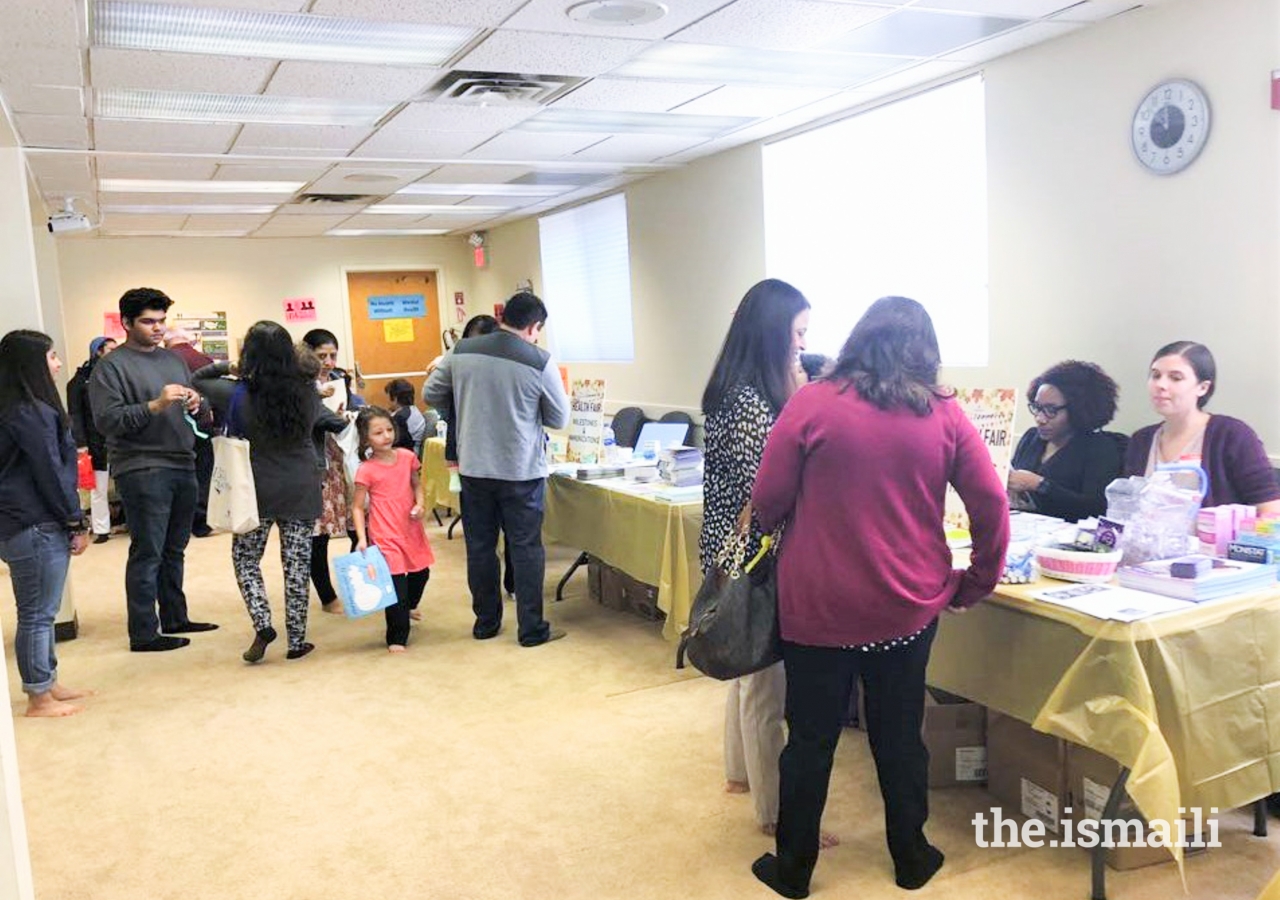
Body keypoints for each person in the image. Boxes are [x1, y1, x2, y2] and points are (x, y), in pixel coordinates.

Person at [749, 297, 1009, 898]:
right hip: (906, 608)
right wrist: (978, 581)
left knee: (809, 740)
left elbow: (768, 499)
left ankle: (793, 869)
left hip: (817, 609)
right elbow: (991, 503)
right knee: (899, 735)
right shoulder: (944, 413)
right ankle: (911, 857)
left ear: (857, 341)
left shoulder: (811, 402)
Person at [699, 279, 828, 845]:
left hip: (735, 552)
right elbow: (773, 488)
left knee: (745, 666)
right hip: (758, 559)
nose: (802, 346)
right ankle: (775, 813)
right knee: (764, 687)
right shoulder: (752, 401)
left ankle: (738, 774)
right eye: (797, 334)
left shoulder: (735, 388)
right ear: (774, 332)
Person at [192, 322, 347, 663]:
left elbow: (197, 379)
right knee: (296, 564)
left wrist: (230, 367)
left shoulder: (234, 392)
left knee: (246, 559)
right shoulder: (308, 390)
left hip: (254, 488)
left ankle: (262, 621)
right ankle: (297, 641)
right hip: (302, 484)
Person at [424, 291, 569, 647]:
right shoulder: (539, 360)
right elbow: (558, 418)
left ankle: (486, 623)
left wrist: (464, 403)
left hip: (474, 466)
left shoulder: (462, 350)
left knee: (480, 545)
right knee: (526, 547)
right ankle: (531, 629)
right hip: (521, 469)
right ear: (534, 326)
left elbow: (431, 393)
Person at [88, 287, 219, 652]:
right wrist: (154, 405)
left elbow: (195, 402)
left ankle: (175, 616)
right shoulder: (110, 367)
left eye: (162, 321)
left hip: (182, 460)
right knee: (148, 552)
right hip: (141, 467)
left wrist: (196, 401)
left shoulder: (173, 360)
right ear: (127, 323)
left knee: (175, 547)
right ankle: (144, 633)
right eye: (148, 321)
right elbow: (107, 421)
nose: (157, 328)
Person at [0, 330, 94, 717]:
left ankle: (47, 681)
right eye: (52, 356)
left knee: (41, 609)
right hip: (34, 521)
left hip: (20, 520)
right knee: (38, 613)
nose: (57, 364)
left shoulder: (15, 408)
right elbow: (51, 473)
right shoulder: (31, 412)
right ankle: (38, 695)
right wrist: (75, 520)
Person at [1124, 341, 1280, 513]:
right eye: (1155, 375)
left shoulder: (1231, 435)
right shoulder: (1141, 440)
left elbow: (1270, 509)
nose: (1161, 385)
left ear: (1203, 387)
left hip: (1216, 539)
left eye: (1175, 378)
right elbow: (1128, 507)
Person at [351, 407, 435, 652]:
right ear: (366, 439)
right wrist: (361, 538)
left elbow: (417, 485)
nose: (386, 436)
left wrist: (420, 504)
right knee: (395, 586)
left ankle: (410, 605)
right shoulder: (366, 469)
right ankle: (397, 637)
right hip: (384, 533)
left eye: (389, 430)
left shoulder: (408, 457)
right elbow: (357, 507)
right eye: (378, 433)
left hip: (411, 528)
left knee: (421, 573)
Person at [1007, 360, 1124, 522]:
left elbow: (1095, 509)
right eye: (1037, 407)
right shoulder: (1031, 438)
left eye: (1051, 410)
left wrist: (1040, 485)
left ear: (1078, 410)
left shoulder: (1100, 448)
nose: (1040, 419)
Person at [301, 328, 363, 614]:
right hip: (317, 465)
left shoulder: (340, 380)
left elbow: (353, 412)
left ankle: (360, 586)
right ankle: (327, 597)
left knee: (359, 524)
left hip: (344, 461)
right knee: (320, 532)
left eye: (332, 355)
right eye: (321, 355)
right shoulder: (299, 385)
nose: (327, 361)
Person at [163, 327, 216, 538]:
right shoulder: (204, 359)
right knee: (202, 473)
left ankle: (177, 522)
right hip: (202, 425)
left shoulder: (163, 360)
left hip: (171, 427)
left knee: (176, 474)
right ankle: (201, 522)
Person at [66, 336, 116, 543]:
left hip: (120, 440)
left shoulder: (118, 375)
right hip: (96, 441)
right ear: (98, 351)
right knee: (98, 488)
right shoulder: (79, 381)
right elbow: (75, 415)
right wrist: (81, 443)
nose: (115, 352)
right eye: (110, 349)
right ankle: (101, 529)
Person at [385, 378, 427, 457]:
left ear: (395, 398)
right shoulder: (413, 410)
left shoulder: (400, 417)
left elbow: (394, 441)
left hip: (406, 455)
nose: (387, 401)